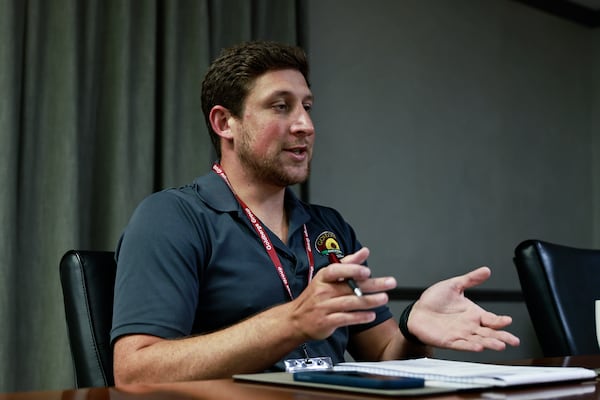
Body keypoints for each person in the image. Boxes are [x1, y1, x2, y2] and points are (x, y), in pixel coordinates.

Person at [110, 41, 520, 385]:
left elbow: (383, 355)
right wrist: (292, 322)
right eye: (281, 106)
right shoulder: (173, 216)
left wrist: (412, 329)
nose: (305, 124)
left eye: (307, 106)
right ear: (225, 123)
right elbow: (135, 370)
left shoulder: (329, 227)